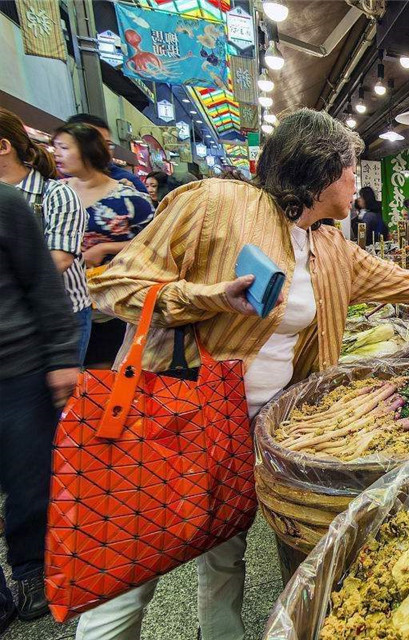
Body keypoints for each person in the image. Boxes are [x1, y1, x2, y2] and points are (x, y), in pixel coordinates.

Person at [81, 108, 409, 640]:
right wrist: (207, 297)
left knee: (226, 552)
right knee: (130, 567)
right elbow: (115, 285)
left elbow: (403, 281)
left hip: (251, 429)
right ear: (320, 169)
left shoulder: (328, 244)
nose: (357, 180)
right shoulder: (214, 203)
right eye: (351, 168)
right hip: (174, 416)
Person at [0, 182, 80, 628]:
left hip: (18, 369)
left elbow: (43, 286)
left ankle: (32, 572)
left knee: (30, 482)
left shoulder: (7, 204)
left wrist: (63, 358)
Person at [53, 122, 154, 368]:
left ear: (88, 151)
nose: (56, 153)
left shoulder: (129, 198)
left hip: (114, 302)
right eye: (55, 147)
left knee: (104, 374)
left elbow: (155, 241)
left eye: (64, 147)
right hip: (63, 301)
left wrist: (105, 249)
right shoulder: (53, 193)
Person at [0, 108, 92, 361]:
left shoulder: (56, 194)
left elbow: (59, 260)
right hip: (10, 319)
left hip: (59, 318)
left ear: (4, 146)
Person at [65, 114, 148, 193]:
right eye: (93, 143)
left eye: (107, 144)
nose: (102, 150)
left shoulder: (129, 184)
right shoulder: (57, 183)